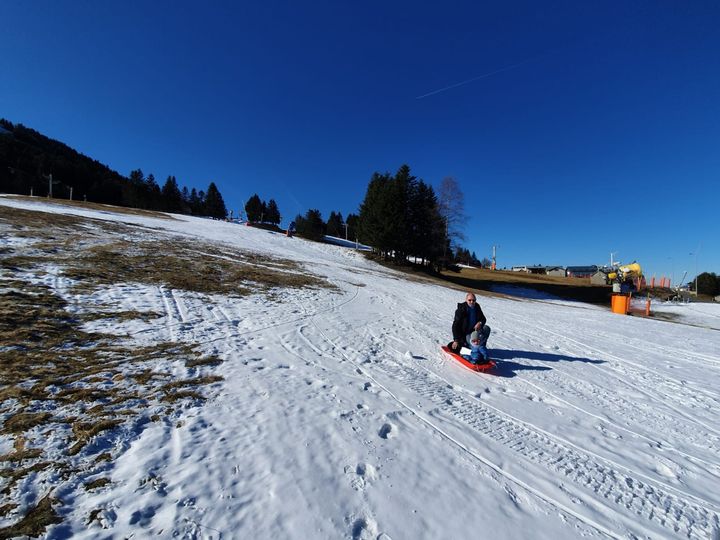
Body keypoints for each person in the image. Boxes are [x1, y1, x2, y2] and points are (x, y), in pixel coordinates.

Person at [450, 292, 490, 362]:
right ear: (466, 300)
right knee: (468, 348)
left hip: (474, 332)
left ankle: (480, 345)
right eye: (470, 300)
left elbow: (483, 319)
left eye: (473, 300)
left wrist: (480, 323)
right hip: (465, 335)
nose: (472, 302)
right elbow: (455, 325)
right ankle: (472, 350)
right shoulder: (461, 310)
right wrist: (456, 340)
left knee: (487, 328)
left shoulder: (477, 307)